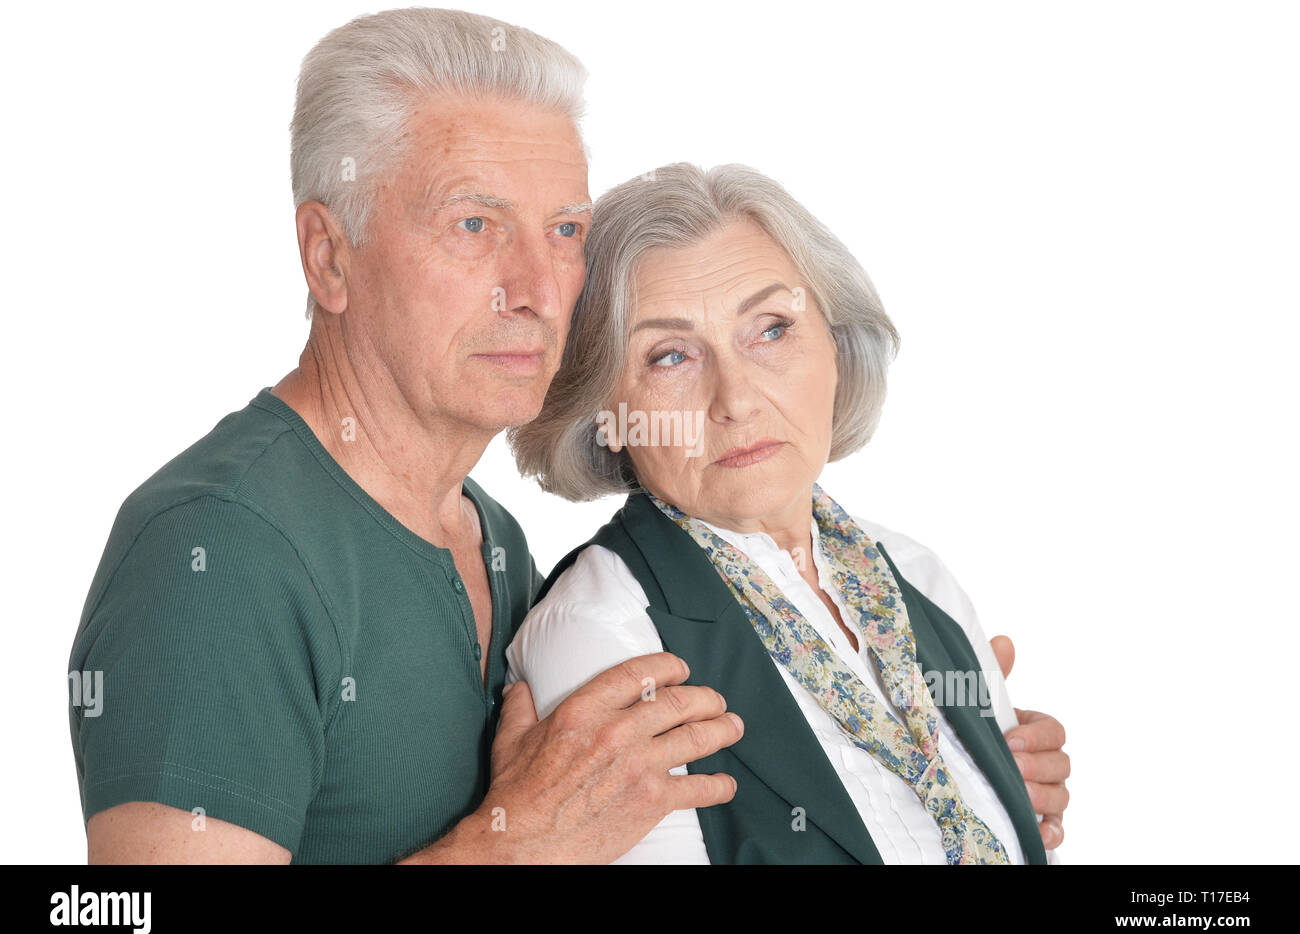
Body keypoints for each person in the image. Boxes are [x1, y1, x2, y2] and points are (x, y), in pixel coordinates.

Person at [66, 8, 744, 865]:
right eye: (474, 225)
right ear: (329, 257)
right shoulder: (218, 550)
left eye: (566, 230)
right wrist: (518, 847)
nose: (537, 289)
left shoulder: (493, 536)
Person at [506, 162, 1071, 863]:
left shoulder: (920, 579)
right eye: (671, 355)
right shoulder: (601, 633)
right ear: (606, 414)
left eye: (771, 329)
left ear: (836, 347)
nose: (736, 399)